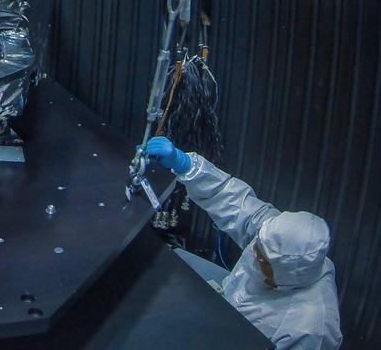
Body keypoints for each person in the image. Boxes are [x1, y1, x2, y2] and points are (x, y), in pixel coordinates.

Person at [146, 136, 342, 350]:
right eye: (257, 247)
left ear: (288, 273)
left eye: (263, 260)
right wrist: (185, 164)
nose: (254, 257)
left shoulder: (312, 330)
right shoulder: (272, 237)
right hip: (227, 306)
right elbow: (230, 199)